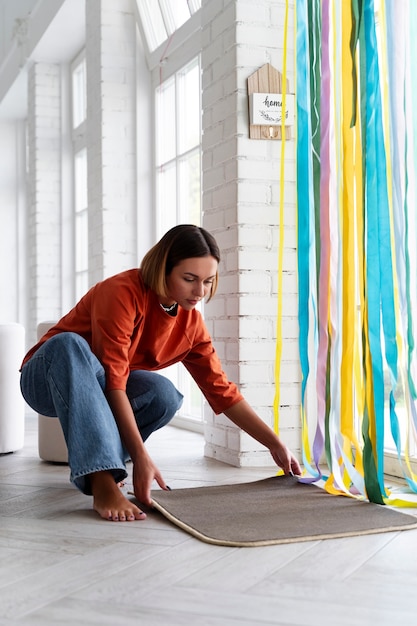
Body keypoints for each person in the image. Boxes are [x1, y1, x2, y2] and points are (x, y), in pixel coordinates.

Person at [20, 224, 301, 522]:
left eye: (208, 281)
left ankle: (107, 461)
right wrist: (141, 457)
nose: (200, 292)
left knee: (162, 393)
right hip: (48, 376)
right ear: (163, 269)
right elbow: (115, 381)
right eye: (189, 279)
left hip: (101, 387)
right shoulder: (122, 293)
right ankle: (102, 482)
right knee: (69, 344)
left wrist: (275, 443)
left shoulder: (191, 324)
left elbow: (222, 391)